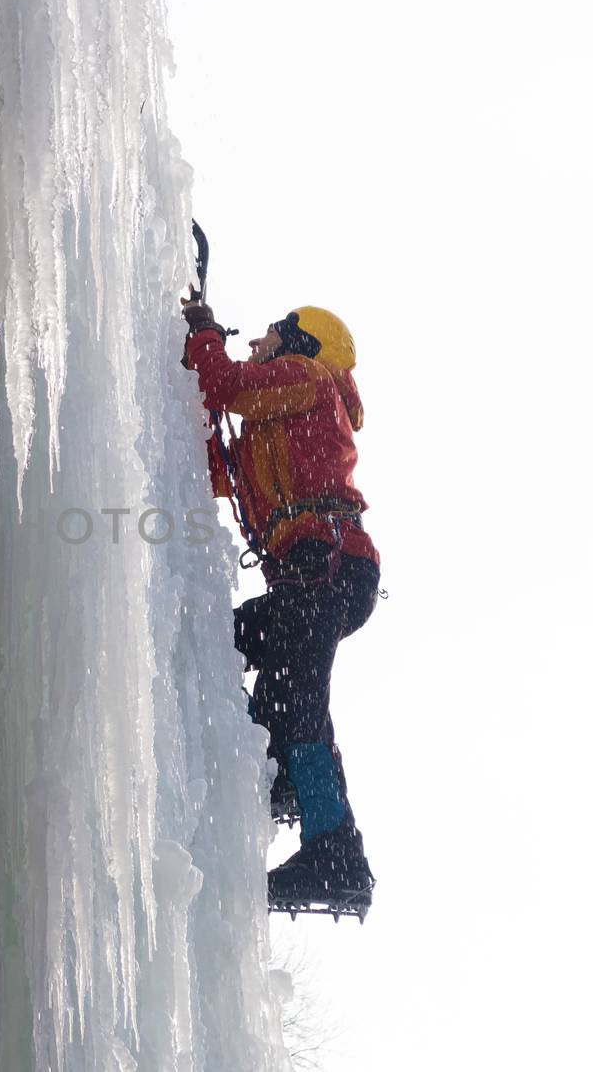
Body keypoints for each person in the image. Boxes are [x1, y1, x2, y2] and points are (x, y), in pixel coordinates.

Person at [182, 298, 381, 918]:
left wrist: (204, 337)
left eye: (271, 334)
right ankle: (289, 770)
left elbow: (229, 385)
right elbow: (215, 471)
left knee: (299, 700)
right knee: (230, 646)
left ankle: (334, 851)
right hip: (315, 573)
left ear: (301, 344)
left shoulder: (307, 381)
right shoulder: (272, 423)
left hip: (327, 564)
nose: (257, 341)